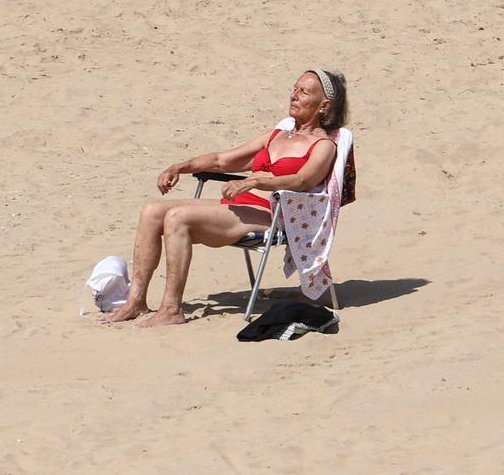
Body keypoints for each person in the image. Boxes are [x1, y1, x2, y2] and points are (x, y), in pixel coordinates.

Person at [97, 70, 345, 327]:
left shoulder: (323, 146)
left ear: (324, 105)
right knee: (152, 210)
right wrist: (181, 167)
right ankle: (135, 301)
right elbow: (221, 160)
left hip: (273, 215)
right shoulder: (278, 134)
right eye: (294, 89)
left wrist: (256, 181)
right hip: (241, 206)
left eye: (304, 92)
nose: (294, 95)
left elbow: (303, 180)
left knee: (177, 218)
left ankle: (171, 309)